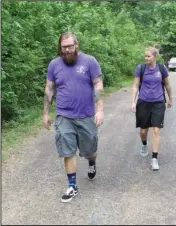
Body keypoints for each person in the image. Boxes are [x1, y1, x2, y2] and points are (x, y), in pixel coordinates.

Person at [43, 32, 104, 202]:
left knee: (89, 151)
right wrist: (46, 113)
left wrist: (100, 109)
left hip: (86, 115)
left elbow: (98, 85)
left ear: (77, 44)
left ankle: (92, 162)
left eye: (70, 46)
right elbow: (49, 89)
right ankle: (72, 186)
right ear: (60, 47)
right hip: (64, 115)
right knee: (67, 151)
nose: (67, 50)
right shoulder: (54, 65)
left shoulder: (89, 61)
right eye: (64, 47)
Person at [131, 46, 172, 171]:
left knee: (156, 130)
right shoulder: (141, 68)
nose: (146, 58)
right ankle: (144, 145)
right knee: (143, 131)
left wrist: (171, 99)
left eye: (148, 56)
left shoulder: (162, 68)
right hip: (143, 102)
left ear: (155, 57)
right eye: (145, 56)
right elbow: (135, 85)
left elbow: (168, 85)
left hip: (158, 103)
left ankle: (154, 158)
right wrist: (133, 101)